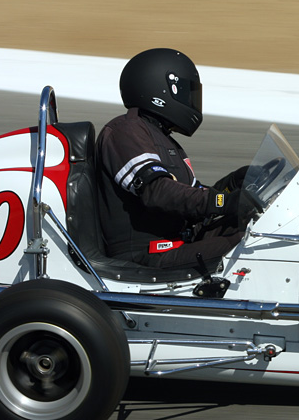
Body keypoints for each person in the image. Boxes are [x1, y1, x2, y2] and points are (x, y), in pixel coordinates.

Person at [96, 48, 254, 270]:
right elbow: (157, 192)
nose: (191, 99)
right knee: (250, 246)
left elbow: (190, 199)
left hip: (178, 240)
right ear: (160, 89)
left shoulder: (162, 139)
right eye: (185, 91)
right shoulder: (125, 131)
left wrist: (232, 184)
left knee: (264, 230)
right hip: (146, 255)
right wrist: (224, 202)